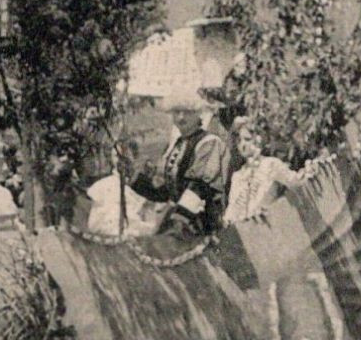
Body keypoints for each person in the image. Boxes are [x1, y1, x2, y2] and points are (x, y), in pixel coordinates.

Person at [128, 91, 230, 236]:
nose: (181, 117)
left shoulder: (209, 142)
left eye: (187, 112)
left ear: (198, 114)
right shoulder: (179, 144)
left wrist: (178, 221)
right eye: (176, 112)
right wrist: (134, 179)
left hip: (201, 222)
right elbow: (168, 192)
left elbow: (199, 186)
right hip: (179, 217)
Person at [224, 117, 299, 224]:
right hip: (248, 233)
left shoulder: (271, 164)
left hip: (271, 227)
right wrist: (228, 220)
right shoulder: (237, 176)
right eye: (239, 141)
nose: (243, 145)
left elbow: (295, 182)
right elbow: (232, 210)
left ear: (257, 139)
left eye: (247, 139)